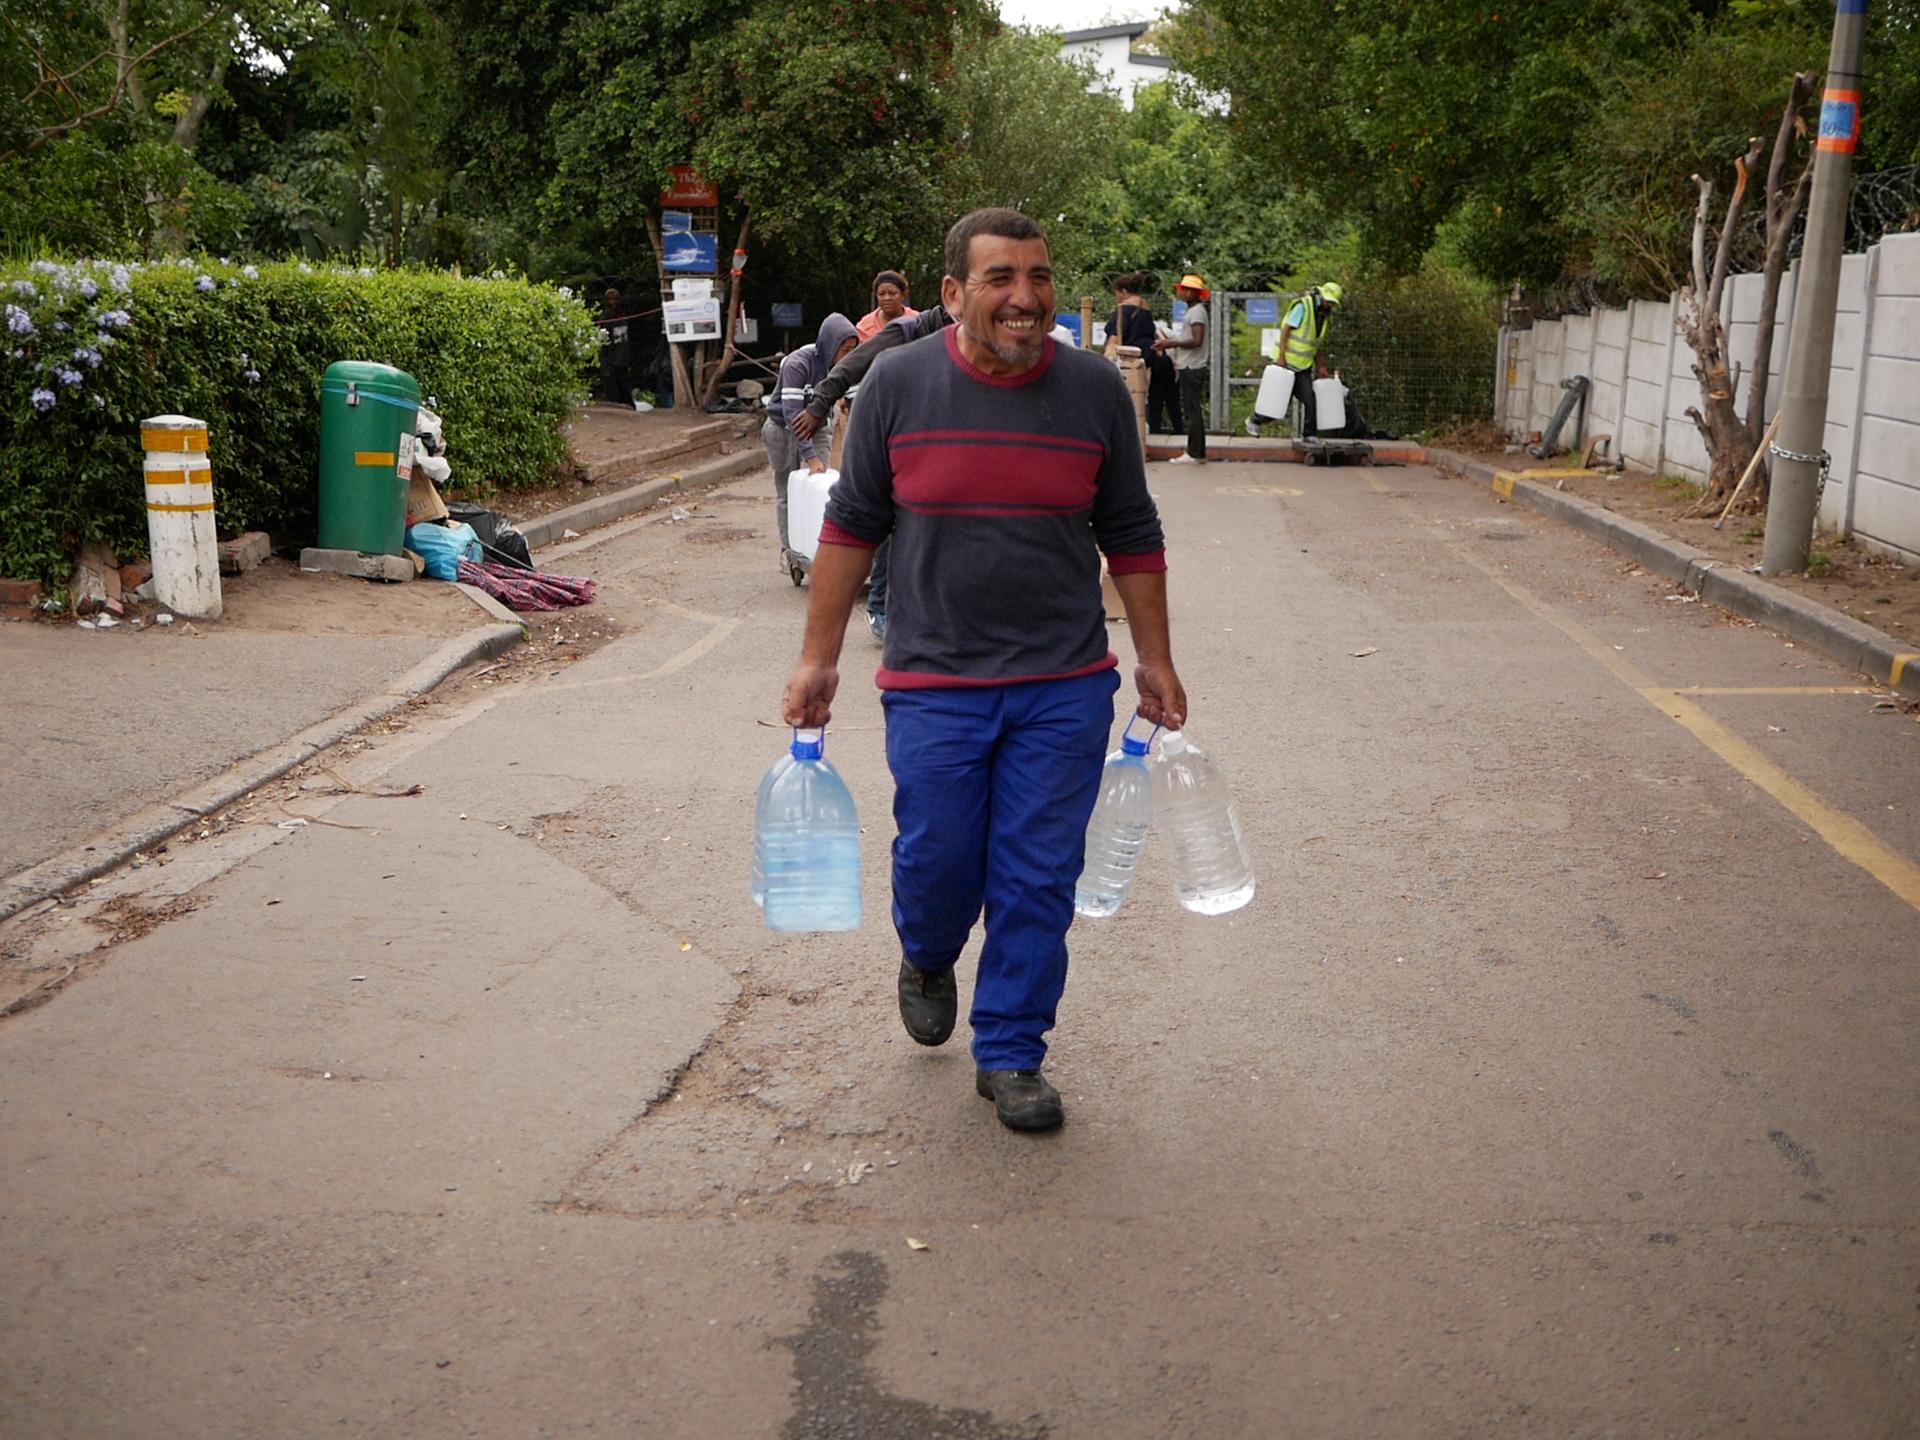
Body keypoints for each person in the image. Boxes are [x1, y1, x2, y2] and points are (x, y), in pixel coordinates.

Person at [780, 207, 1186, 1133]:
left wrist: (1155, 661)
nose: (1025, 298)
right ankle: (926, 953)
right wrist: (818, 659)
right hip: (935, 684)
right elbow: (850, 526)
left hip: (1063, 683)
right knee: (939, 863)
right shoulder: (897, 386)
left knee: (1038, 876)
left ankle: (1011, 1052)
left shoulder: (1090, 393)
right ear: (956, 294)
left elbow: (1131, 532)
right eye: (1001, 278)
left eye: (1038, 278)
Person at [763, 312, 858, 565]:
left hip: (818, 427)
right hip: (781, 428)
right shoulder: (798, 364)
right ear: (829, 344)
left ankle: (821, 547)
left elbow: (856, 404)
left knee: (821, 484)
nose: (848, 355)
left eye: (852, 349)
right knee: (787, 491)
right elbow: (793, 415)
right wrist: (811, 457)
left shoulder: (846, 368)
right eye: (844, 349)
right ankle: (789, 550)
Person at [1248, 282, 1343, 438]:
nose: (1330, 305)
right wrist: (1281, 357)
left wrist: (1320, 365)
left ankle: (1309, 435)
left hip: (1302, 366)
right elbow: (1285, 330)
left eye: (1333, 303)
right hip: (1286, 364)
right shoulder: (1303, 306)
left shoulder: (1323, 315)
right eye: (1329, 301)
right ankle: (1255, 420)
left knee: (1311, 400)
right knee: (1279, 403)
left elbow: (1315, 342)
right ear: (1322, 295)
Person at [1105, 273, 1177, 434]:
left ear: (1123, 291)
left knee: (1129, 395)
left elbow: (1116, 335)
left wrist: (1107, 357)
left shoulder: (1123, 309)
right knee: (1146, 395)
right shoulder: (1145, 308)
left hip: (1129, 358)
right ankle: (1150, 428)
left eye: (1116, 293)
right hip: (1150, 357)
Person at [1153, 272, 1210, 463]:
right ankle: (1197, 452)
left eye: (1188, 290)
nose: (1183, 293)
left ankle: (1194, 453)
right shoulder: (1194, 311)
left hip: (1192, 366)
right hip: (1190, 365)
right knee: (1192, 410)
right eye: (1183, 289)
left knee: (1192, 410)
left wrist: (1171, 344)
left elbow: (1196, 340)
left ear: (1196, 293)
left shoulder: (1196, 312)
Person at [854, 270, 917, 342]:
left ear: (903, 294)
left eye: (892, 293)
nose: (886, 298)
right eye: (881, 294)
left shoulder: (917, 321)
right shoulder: (865, 327)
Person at [597, 287, 633, 407]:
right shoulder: (605, 317)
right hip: (611, 360)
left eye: (615, 299)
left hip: (622, 358)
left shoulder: (622, 314)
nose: (613, 302)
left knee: (624, 389)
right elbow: (602, 341)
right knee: (612, 392)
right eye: (610, 300)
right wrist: (605, 363)